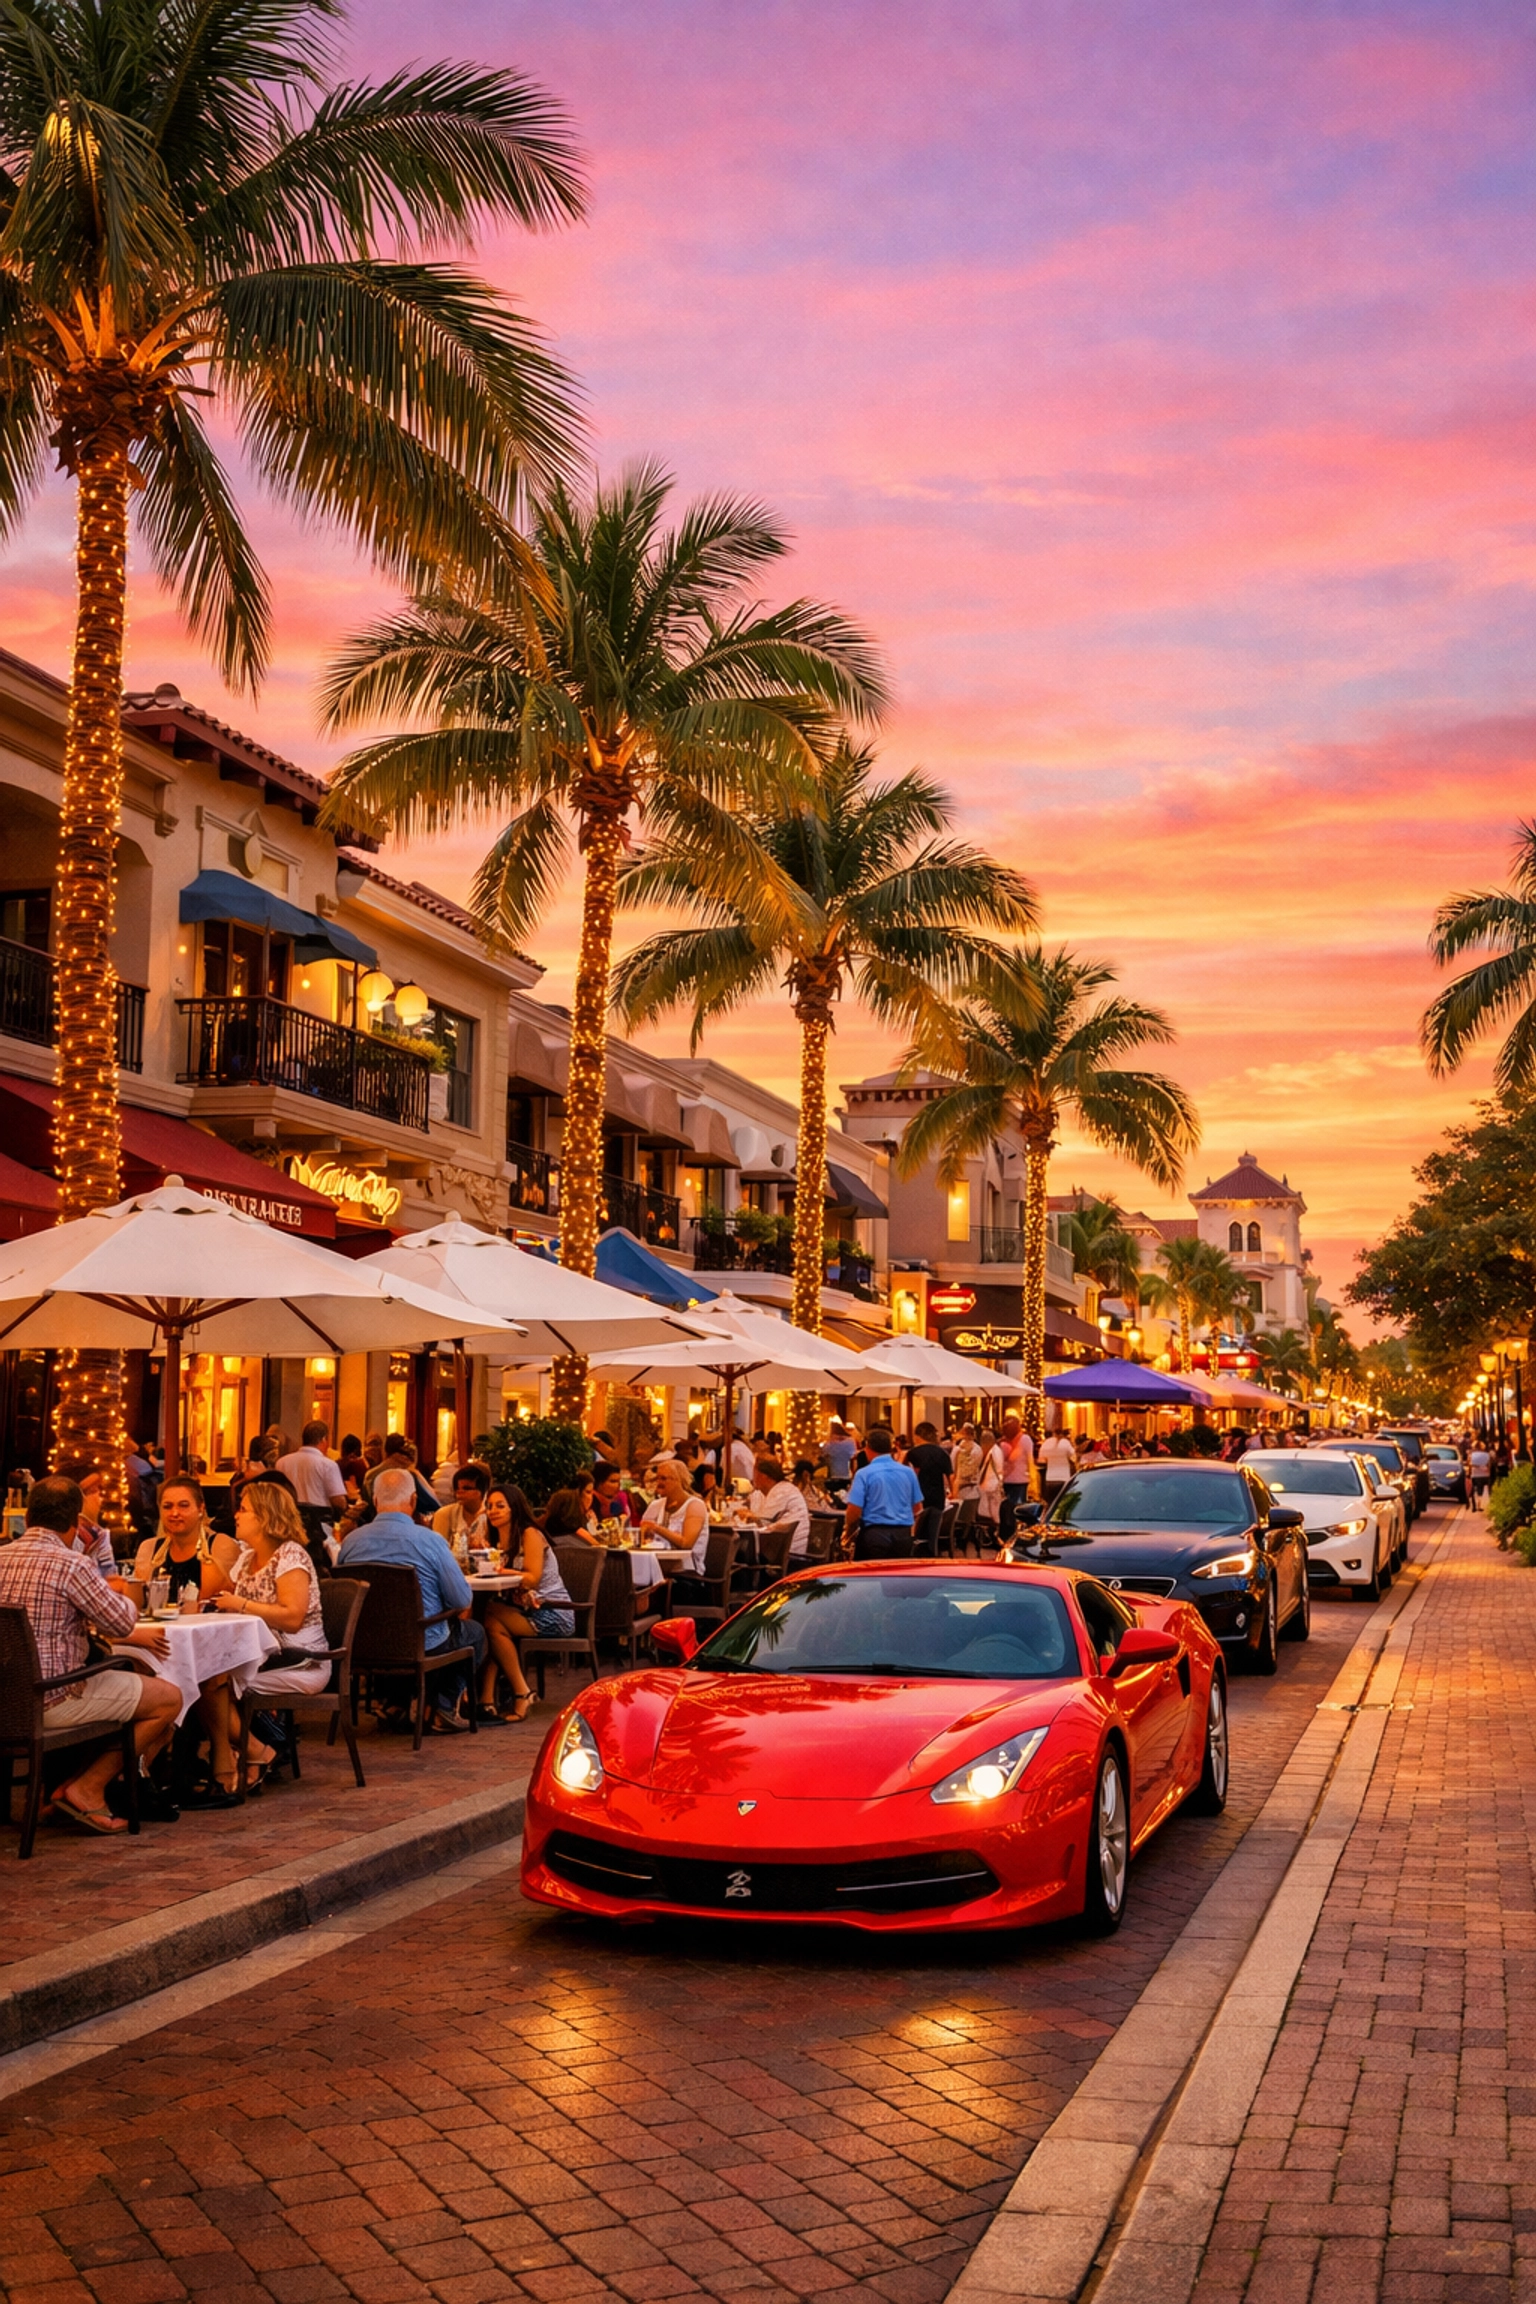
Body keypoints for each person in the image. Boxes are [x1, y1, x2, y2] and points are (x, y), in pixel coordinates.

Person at [0, 1474, 180, 1834]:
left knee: (101, 1673)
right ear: (75, 1522)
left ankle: (51, 1795)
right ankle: (88, 1787)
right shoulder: (72, 1564)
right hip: (50, 1701)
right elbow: (122, 1622)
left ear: (30, 1515)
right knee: (168, 1699)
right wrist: (105, 1573)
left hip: (6, 1700)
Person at [202, 1480, 333, 1789]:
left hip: (301, 1658)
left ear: (264, 1517)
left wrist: (241, 1604)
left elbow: (292, 1617)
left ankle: (253, 1753)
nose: (236, 1515)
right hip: (261, 1653)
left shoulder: (290, 1557)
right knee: (201, 1678)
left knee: (211, 1684)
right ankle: (251, 1752)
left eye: (244, 1509)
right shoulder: (247, 1558)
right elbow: (226, 1599)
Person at [338, 1467, 485, 1730]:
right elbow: (461, 1599)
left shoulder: (351, 1543)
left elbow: (343, 1592)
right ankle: (442, 1707)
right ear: (413, 1500)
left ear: (375, 1501)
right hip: (420, 1641)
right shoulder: (429, 1541)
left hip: (365, 1643)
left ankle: (396, 1702)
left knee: (397, 1625)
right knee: (473, 1633)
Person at [473, 1484, 539, 1722]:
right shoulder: (495, 1540)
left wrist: (499, 1569)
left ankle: (520, 1693)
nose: (493, 1511)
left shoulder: (529, 1534)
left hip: (549, 1610)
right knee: (487, 1621)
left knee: (488, 1620)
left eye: (501, 1506)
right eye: (489, 1506)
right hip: (517, 1608)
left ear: (514, 1508)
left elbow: (532, 1578)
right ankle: (487, 1700)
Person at [133, 1476, 224, 1604]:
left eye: (183, 1506)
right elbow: (138, 1603)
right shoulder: (149, 1548)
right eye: (167, 1506)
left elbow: (216, 1600)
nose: (174, 1513)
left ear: (200, 1509)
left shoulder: (219, 1544)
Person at [842, 1428, 923, 1561]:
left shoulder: (864, 1474)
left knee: (871, 1578)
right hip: (903, 1535)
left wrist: (848, 1532)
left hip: (874, 1535)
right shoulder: (908, 1472)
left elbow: (854, 1511)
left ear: (867, 1447)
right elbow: (918, 1509)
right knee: (898, 1578)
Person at [51, 1455, 122, 1582]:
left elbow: (111, 1579)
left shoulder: (99, 1536)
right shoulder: (65, 1536)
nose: (99, 1497)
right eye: (93, 1491)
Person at [641, 1457, 710, 1571]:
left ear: (679, 1480)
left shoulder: (695, 1506)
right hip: (656, 1564)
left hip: (686, 1571)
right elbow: (643, 1537)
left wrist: (657, 1528)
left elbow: (686, 1544)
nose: (659, 1483)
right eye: (657, 1478)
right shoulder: (655, 1505)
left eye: (663, 1478)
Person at [749, 1454, 812, 1560]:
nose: (753, 1477)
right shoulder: (760, 1494)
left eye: (754, 1473)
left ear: (764, 1476)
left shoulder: (784, 1491)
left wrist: (748, 1515)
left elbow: (763, 1522)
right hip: (775, 1550)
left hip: (789, 1555)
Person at [276, 1422, 347, 1513]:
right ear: (324, 1439)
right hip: (319, 1522)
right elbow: (338, 1501)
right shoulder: (328, 1465)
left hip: (288, 1518)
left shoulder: (281, 1462)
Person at [906, 1422, 954, 1555]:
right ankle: (932, 1556)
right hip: (938, 1499)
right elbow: (951, 1476)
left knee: (916, 1534)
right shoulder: (942, 1453)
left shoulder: (913, 1453)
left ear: (918, 1436)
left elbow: (909, 1476)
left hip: (918, 1499)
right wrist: (954, 1493)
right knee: (933, 1535)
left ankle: (915, 1556)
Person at [364, 1433, 437, 1518]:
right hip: (410, 1524)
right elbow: (433, 1505)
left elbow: (367, 1507)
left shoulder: (371, 1475)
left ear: (385, 1451)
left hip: (377, 1522)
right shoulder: (413, 1474)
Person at [433, 1464, 491, 1560]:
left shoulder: (492, 1514)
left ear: (482, 1491)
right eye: (457, 1488)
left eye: (466, 1488)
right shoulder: (445, 1514)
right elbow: (438, 1551)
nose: (459, 1492)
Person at [997, 1415, 1036, 1544]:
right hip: (1021, 1480)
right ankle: (1017, 1535)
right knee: (1019, 1510)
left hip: (1005, 1480)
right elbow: (1030, 1461)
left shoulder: (1002, 1443)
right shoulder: (1025, 1439)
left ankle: (1005, 1534)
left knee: (1006, 1508)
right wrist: (1033, 1480)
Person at [976, 1426, 1005, 1543]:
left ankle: (996, 1536)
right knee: (993, 1512)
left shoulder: (994, 1452)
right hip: (990, 1485)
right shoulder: (994, 1451)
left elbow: (999, 1469)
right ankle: (995, 1536)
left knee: (994, 1513)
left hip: (992, 1486)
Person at [1038, 1427, 1077, 1506]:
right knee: (1062, 1504)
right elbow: (1074, 1457)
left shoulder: (1047, 1443)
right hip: (1063, 1478)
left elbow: (1041, 1460)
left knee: (1051, 1504)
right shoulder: (1065, 1443)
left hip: (1050, 1478)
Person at [1469, 1440, 1492, 1505]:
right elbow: (1489, 1465)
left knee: (1476, 1489)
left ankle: (1478, 1501)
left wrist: (1469, 1474)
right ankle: (1483, 1501)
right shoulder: (1487, 1455)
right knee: (1485, 1488)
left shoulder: (1471, 1455)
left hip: (1475, 1474)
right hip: (1485, 1474)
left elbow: (1470, 1465)